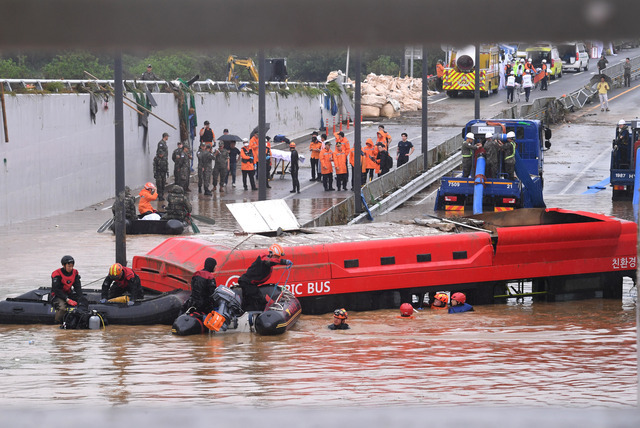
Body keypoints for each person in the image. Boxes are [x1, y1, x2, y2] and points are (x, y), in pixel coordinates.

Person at [237, 244, 292, 311]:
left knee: (248, 302)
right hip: (247, 283)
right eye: (276, 256)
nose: (277, 259)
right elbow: (270, 261)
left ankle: (246, 314)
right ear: (271, 254)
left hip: (251, 284)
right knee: (260, 301)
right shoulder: (264, 259)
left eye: (278, 257)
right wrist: (284, 262)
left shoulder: (267, 263)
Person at [51, 255, 85, 323]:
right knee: (62, 308)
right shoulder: (57, 274)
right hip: (57, 295)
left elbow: (77, 287)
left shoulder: (75, 273)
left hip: (68, 293)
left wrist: (81, 298)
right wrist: (67, 299)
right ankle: (57, 323)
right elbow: (56, 290)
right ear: (63, 265)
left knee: (83, 301)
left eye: (72, 266)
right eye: (69, 266)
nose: (71, 268)